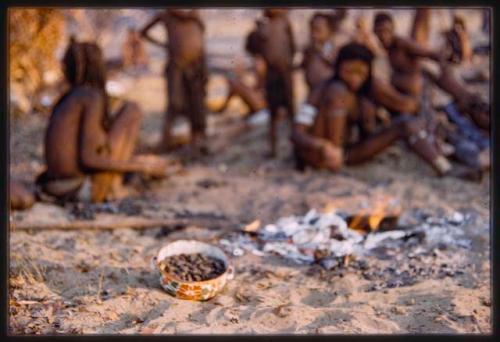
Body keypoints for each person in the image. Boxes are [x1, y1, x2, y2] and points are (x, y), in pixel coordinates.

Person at [291, 42, 480, 180]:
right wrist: (322, 146)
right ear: (338, 68)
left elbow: (405, 105)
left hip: (351, 153)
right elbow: (297, 133)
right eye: (349, 72)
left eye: (360, 73)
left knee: (406, 126)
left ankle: (444, 167)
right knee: (338, 91)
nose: (354, 79)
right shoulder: (322, 90)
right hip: (321, 156)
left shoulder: (370, 87)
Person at [35, 39, 167, 203]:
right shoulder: (91, 97)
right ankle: (115, 188)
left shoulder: (72, 97)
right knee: (132, 110)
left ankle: (117, 183)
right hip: (75, 188)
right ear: (98, 66)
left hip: (53, 185)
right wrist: (142, 167)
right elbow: (88, 159)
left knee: (118, 123)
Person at [140, 9, 208, 154]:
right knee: (174, 102)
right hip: (176, 65)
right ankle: (166, 140)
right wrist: (164, 45)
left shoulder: (194, 17)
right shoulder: (166, 16)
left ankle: (196, 140)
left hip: (196, 65)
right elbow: (143, 32)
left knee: (196, 102)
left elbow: (201, 36)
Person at [257, 8, 296, 157]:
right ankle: (273, 148)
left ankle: (294, 146)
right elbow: (259, 49)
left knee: (291, 110)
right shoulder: (264, 25)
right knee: (272, 112)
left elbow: (292, 47)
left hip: (285, 72)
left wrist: (287, 65)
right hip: (271, 73)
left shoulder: (285, 23)